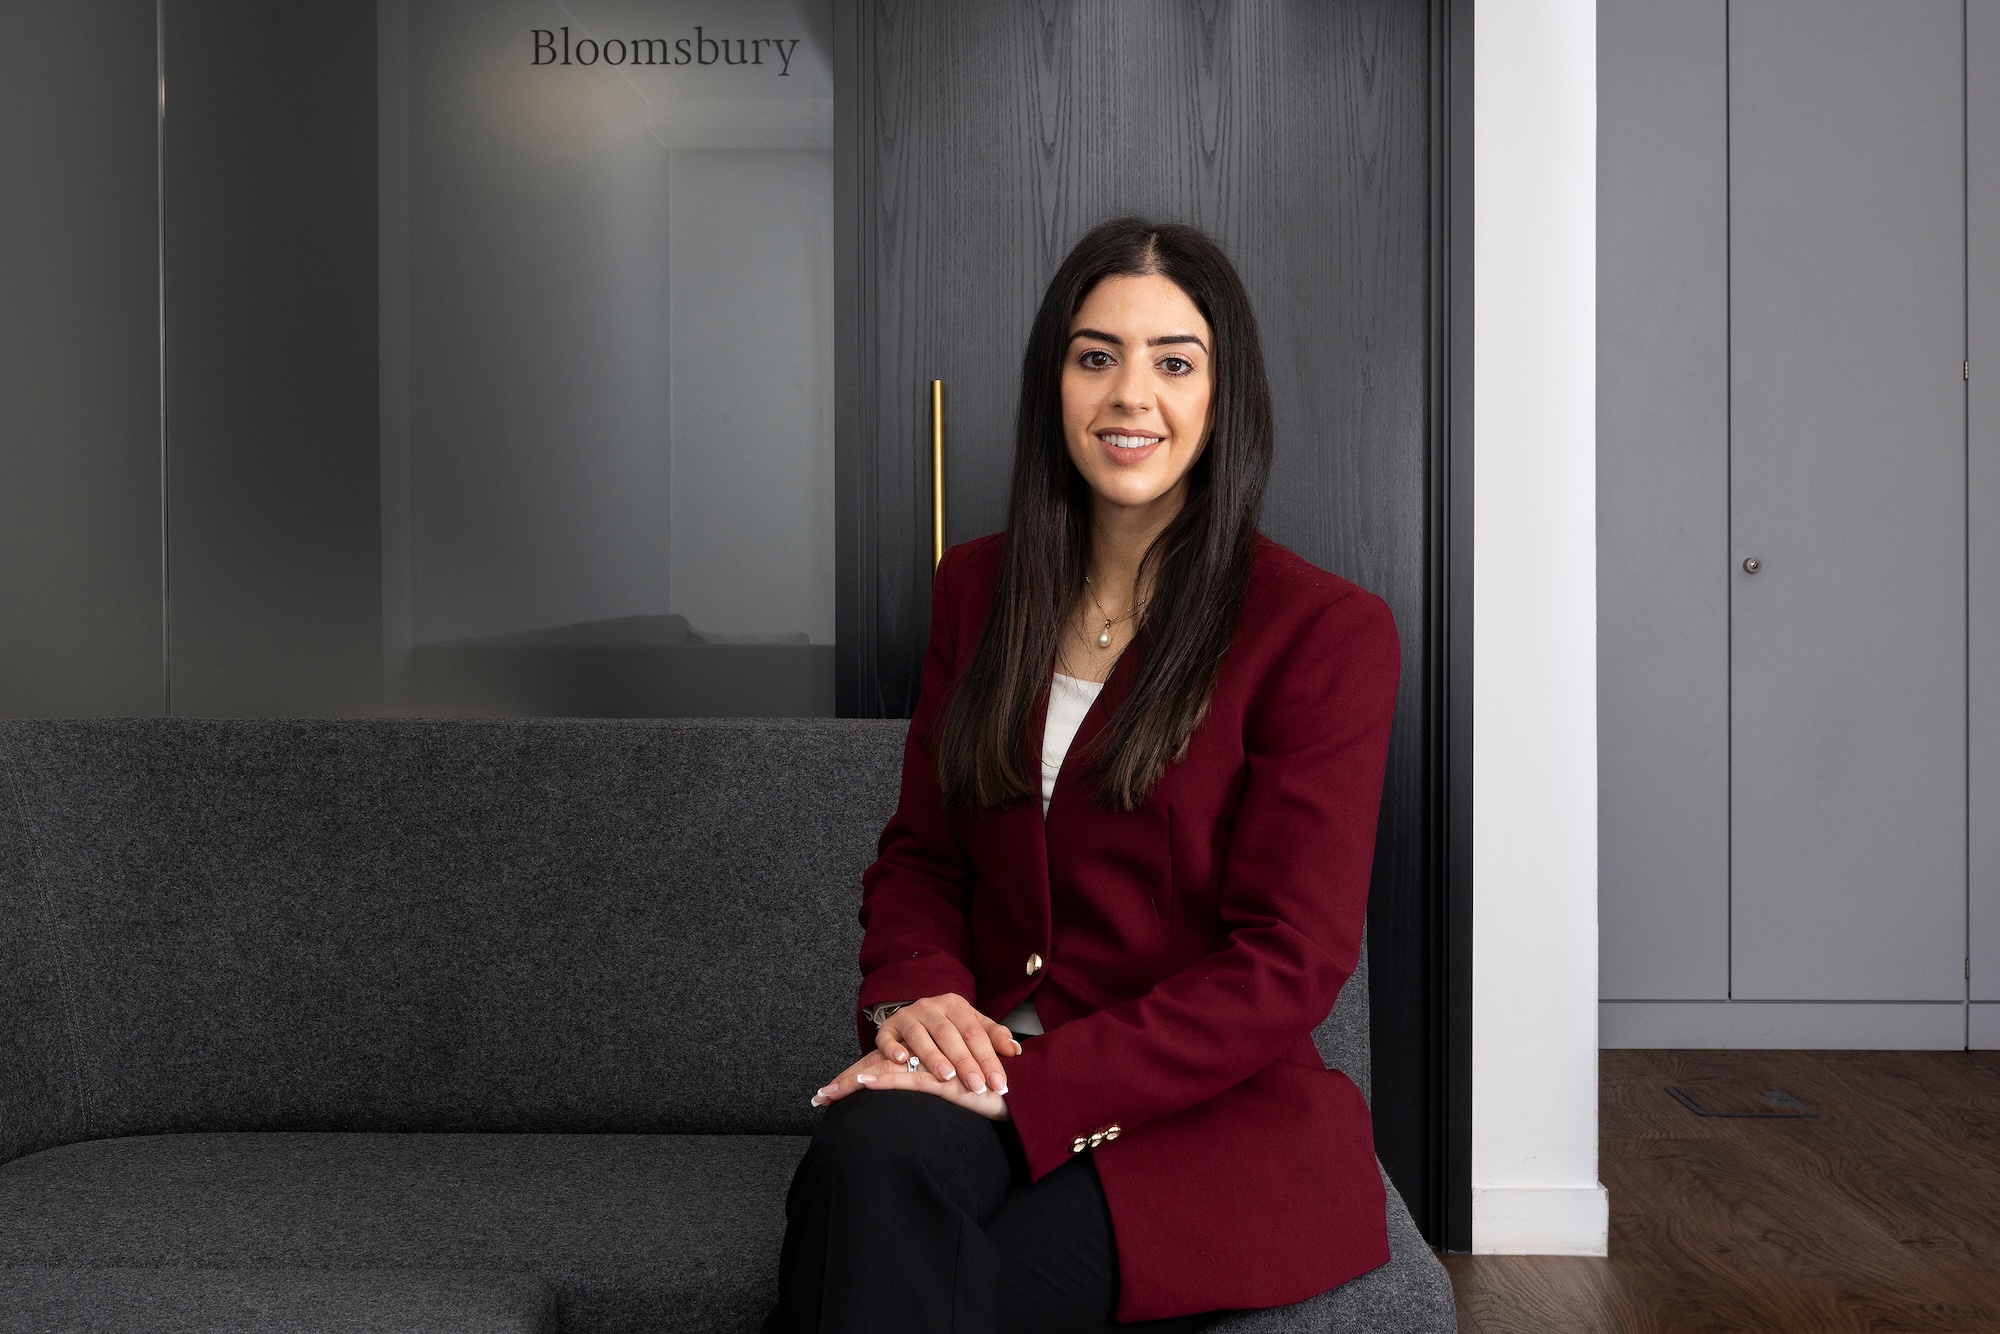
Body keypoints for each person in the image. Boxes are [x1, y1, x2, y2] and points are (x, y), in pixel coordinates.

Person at [763, 218, 1400, 1333]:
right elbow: (921, 858)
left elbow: (1288, 961)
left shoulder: (1321, 632)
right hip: (987, 1061)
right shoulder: (977, 590)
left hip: (1202, 1114)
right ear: (1052, 384)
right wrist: (922, 1001)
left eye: (1174, 362)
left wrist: (1027, 1082)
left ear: (1224, 396)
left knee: (908, 1270)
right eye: (1095, 356)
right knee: (863, 1163)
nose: (1129, 396)